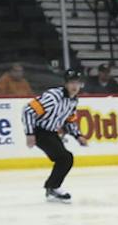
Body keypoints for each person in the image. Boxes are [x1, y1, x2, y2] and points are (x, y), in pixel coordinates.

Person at [23, 67, 86, 202]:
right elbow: (28, 111)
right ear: (66, 84)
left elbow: (69, 120)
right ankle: (52, 188)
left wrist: (78, 135)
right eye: (71, 83)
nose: (74, 86)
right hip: (39, 131)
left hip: (51, 132)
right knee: (65, 158)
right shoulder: (53, 97)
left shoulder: (73, 100)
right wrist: (30, 133)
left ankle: (52, 187)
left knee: (65, 158)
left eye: (77, 83)